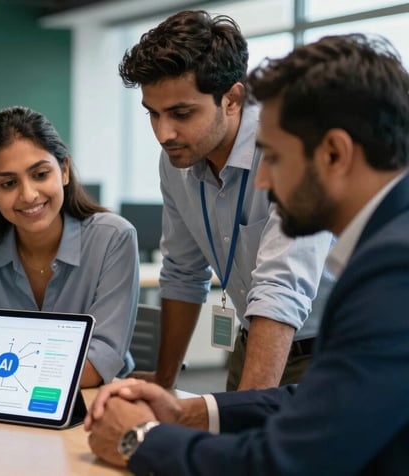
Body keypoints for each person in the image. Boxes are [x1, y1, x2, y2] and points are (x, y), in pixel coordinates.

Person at [85, 33, 409, 475]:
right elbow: (316, 403)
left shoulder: (393, 270)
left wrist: (138, 439)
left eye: (273, 158)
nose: (261, 181)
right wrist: (188, 411)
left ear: (334, 153)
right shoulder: (388, 247)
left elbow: (284, 460)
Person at [119, 10, 335, 390]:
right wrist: (164, 382)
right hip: (254, 337)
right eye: (153, 114)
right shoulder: (176, 162)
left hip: (329, 349)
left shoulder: (288, 149)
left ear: (232, 99)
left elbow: (280, 289)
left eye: (181, 113)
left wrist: (245, 415)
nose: (163, 133)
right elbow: (183, 272)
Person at [0, 106, 140, 387]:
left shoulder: (113, 238)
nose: (28, 195)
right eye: (9, 183)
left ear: (63, 171)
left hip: (89, 405)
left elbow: (99, 363)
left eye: (40, 174)